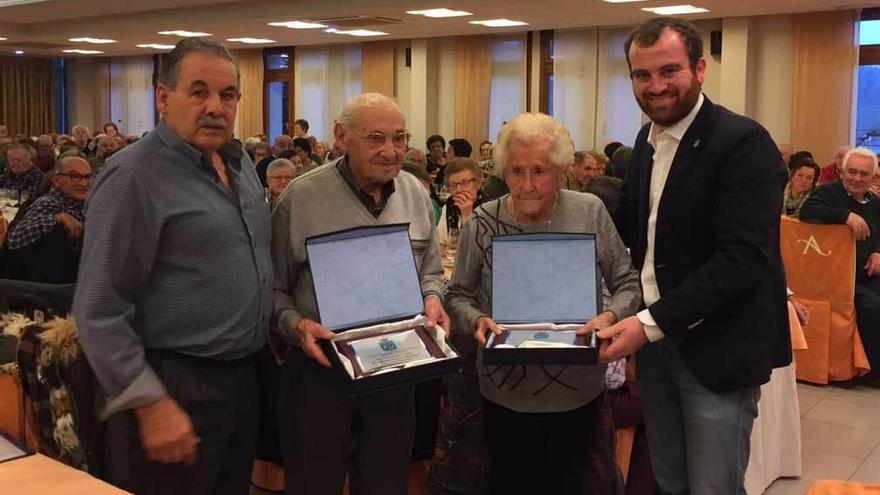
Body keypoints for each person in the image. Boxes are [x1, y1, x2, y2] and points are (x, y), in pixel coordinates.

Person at [72, 38, 273, 495]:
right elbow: (99, 310)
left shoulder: (238, 166)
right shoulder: (134, 176)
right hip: (171, 384)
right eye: (198, 92)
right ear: (164, 98)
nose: (215, 107)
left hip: (240, 382)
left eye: (227, 95)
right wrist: (150, 403)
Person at [605, 17, 790, 494]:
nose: (656, 86)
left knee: (713, 488)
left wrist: (647, 323)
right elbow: (628, 232)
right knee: (670, 482)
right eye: (642, 75)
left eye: (670, 71)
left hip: (717, 352)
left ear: (700, 69)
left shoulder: (743, 143)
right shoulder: (646, 143)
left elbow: (742, 259)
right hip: (659, 349)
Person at [442, 112, 640, 494]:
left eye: (540, 171)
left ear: (562, 170)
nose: (527, 185)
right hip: (504, 391)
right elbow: (458, 294)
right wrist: (477, 318)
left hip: (578, 389)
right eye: (516, 171)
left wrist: (610, 314)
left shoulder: (589, 211)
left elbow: (628, 282)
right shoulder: (483, 221)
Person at [271, 92, 449, 495]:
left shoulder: (415, 193)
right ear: (340, 136)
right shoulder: (300, 198)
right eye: (375, 138)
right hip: (321, 373)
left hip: (394, 371)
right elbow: (272, 289)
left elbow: (431, 273)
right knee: (313, 484)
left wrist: (433, 299)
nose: (391, 150)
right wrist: (294, 325)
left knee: (386, 484)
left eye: (400, 138)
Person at [800, 148, 880, 376]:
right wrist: (845, 216)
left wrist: (878, 251)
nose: (857, 178)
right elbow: (807, 211)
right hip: (838, 276)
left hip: (867, 271)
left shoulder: (874, 202)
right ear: (841, 171)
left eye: (864, 174)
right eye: (851, 172)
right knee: (874, 308)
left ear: (873, 177)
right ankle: (873, 371)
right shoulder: (828, 192)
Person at [0, 156, 91, 284]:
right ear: (57, 180)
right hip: (52, 289)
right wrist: (56, 218)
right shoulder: (50, 203)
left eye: (87, 177)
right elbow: (15, 238)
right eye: (74, 176)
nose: (83, 183)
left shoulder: (85, 204)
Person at [438, 158, 485, 258]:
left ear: (478, 183)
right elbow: (440, 243)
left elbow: (477, 254)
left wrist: (467, 214)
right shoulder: (449, 206)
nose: (458, 190)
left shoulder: (489, 209)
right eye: (453, 185)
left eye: (464, 184)